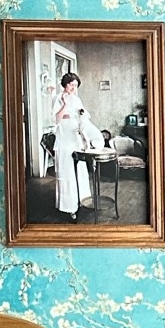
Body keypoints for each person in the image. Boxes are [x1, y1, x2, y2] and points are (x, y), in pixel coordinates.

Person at [51, 70, 104, 220]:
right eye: (71, 85)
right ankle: (69, 207)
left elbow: (83, 116)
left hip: (76, 140)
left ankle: (82, 201)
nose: (73, 88)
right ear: (65, 85)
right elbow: (56, 119)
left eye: (75, 85)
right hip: (64, 141)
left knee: (79, 172)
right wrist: (65, 105)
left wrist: (81, 113)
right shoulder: (57, 98)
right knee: (67, 173)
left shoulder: (77, 99)